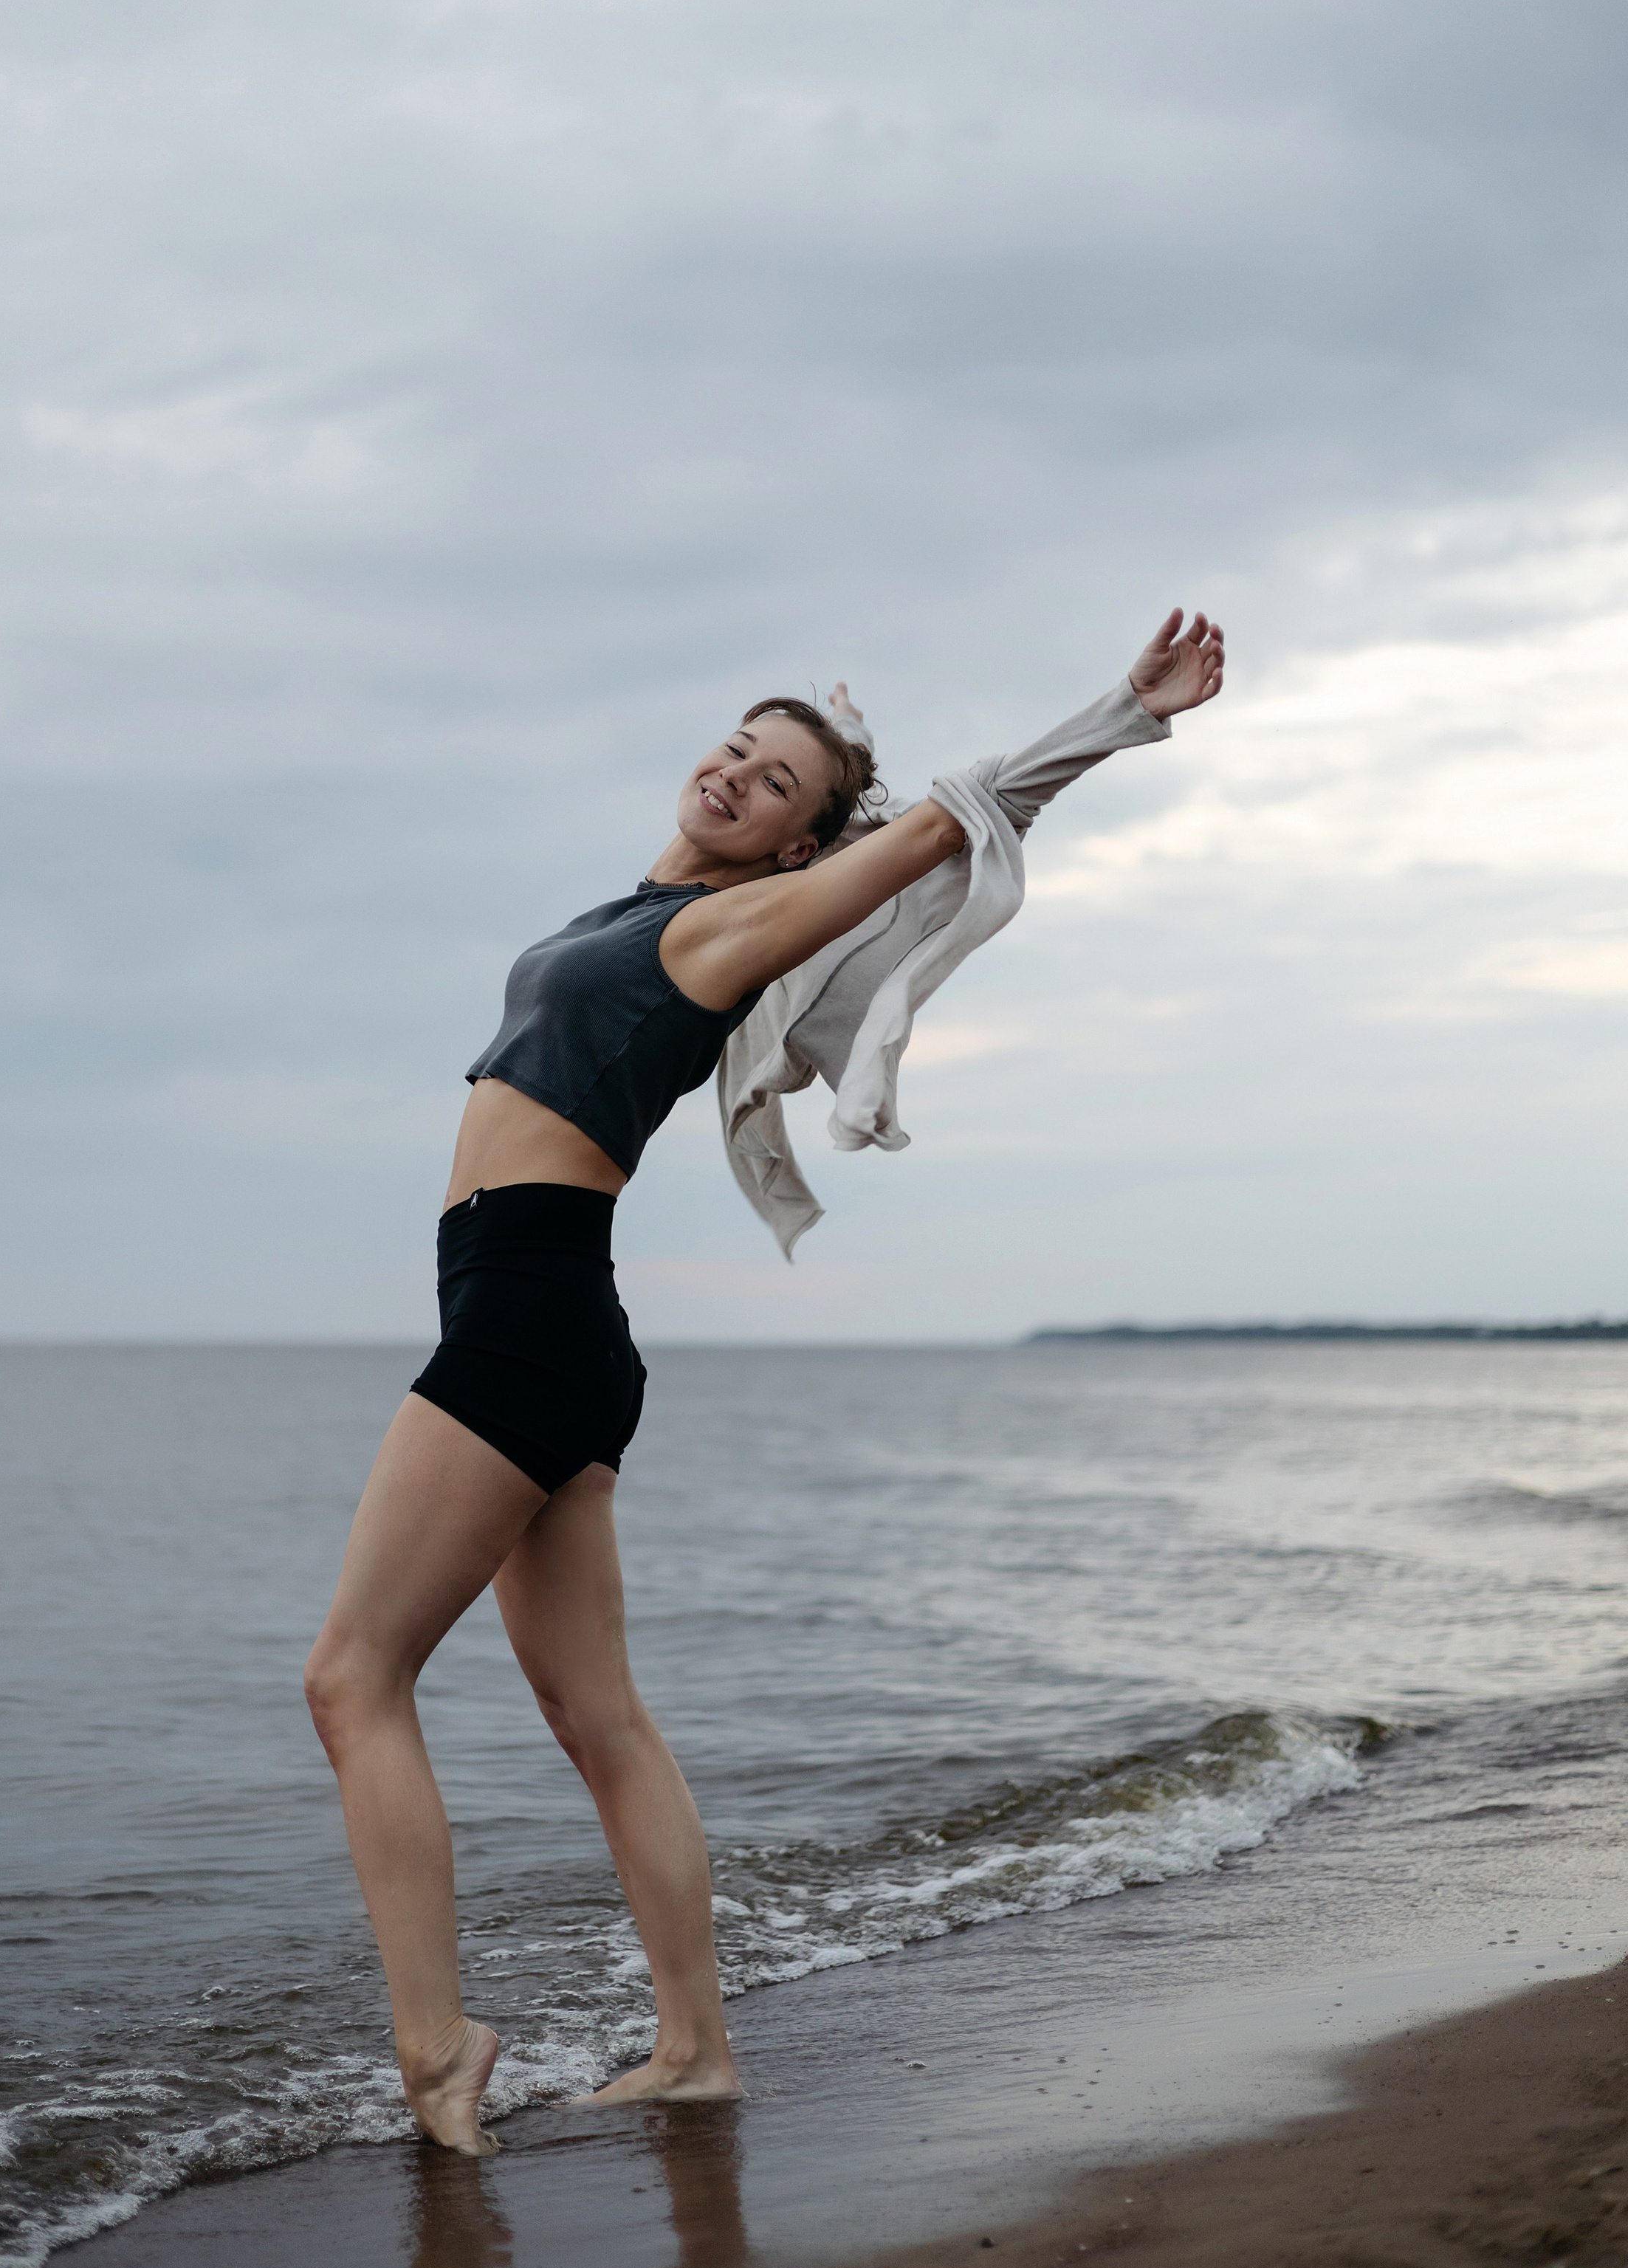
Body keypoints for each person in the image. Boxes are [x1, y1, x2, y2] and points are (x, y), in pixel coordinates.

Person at [303, 610, 1226, 2153]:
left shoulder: (725, 933)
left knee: (351, 1678)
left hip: (525, 1319)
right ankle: (692, 2049)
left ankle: (433, 2044)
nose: (736, 770)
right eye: (737, 742)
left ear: (798, 843)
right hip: (550, 1323)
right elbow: (856, 801)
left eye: (776, 777)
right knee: (596, 1713)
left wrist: (1119, 713)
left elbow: (952, 818)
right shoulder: (642, 902)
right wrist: (829, 740)